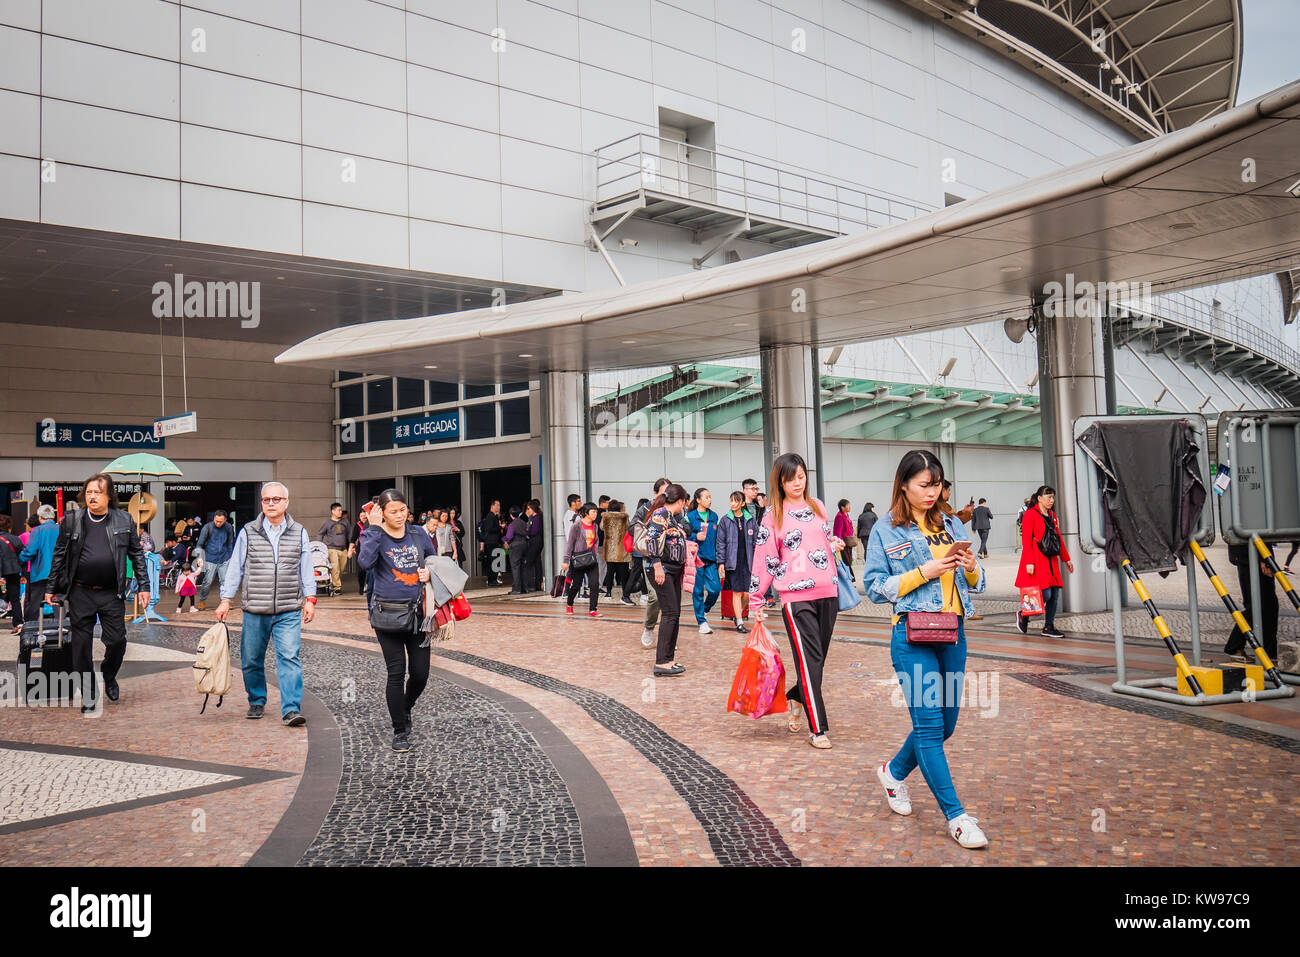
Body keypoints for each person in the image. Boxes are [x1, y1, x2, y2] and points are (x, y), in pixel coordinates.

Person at [863, 449, 989, 850]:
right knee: (931, 729)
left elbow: (976, 583)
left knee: (945, 725)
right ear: (904, 484)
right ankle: (957, 817)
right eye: (924, 485)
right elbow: (875, 587)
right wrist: (923, 573)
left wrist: (969, 565)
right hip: (912, 637)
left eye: (937, 484)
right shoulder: (886, 529)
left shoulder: (951, 523)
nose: (933, 492)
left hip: (954, 633)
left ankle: (893, 771)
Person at [748, 453, 844, 750]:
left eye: (800, 477)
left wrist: (834, 545)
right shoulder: (772, 514)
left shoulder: (818, 507)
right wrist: (756, 600)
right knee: (808, 660)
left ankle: (796, 695)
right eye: (790, 479)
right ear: (780, 481)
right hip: (795, 596)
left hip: (827, 592)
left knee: (816, 662)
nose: (796, 483)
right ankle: (818, 729)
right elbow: (764, 558)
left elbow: (822, 540)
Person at [45, 475, 150, 712]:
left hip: (112, 593)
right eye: (89, 492)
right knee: (80, 649)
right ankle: (90, 695)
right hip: (81, 593)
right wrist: (51, 588)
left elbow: (137, 555)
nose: (92, 496)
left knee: (117, 641)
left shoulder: (124, 520)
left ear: (109, 496)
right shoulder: (72, 520)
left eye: (98, 492)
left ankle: (109, 673)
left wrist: (144, 586)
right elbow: (59, 555)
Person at [214, 482, 314, 727]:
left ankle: (291, 709)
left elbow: (306, 568)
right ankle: (257, 699)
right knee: (251, 659)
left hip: (289, 608)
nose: (271, 503)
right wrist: (225, 599)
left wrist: (310, 599)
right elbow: (235, 567)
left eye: (276, 499)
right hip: (255, 609)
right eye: (266, 499)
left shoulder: (299, 531)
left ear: (286, 502)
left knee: (290, 657)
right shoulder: (248, 531)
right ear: (262, 503)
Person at [357, 488, 437, 752]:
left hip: (418, 615)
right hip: (387, 614)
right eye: (393, 511)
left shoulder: (417, 533)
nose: (400, 515)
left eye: (403, 509)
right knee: (396, 672)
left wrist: (429, 572)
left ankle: (405, 707)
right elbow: (365, 562)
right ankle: (399, 730)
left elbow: (435, 560)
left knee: (420, 674)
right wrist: (373, 529)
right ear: (382, 513)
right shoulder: (376, 535)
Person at [643, 484, 690, 676]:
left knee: (675, 613)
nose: (684, 507)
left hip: (672, 570)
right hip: (661, 570)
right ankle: (661, 662)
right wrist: (657, 566)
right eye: (684, 503)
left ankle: (668, 659)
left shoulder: (671, 517)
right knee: (670, 613)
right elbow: (651, 540)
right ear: (680, 501)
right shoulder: (660, 515)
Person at [1015, 485, 1074, 639]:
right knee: (1044, 594)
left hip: (1051, 559)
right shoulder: (1030, 515)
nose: (1051, 500)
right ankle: (1024, 614)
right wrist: (1029, 562)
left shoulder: (1053, 515)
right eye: (1048, 497)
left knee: (1055, 594)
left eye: (1053, 497)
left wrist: (1066, 559)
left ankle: (1048, 626)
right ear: (1040, 498)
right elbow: (1026, 539)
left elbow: (1057, 537)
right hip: (1036, 559)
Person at [633, 478, 672, 648]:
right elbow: (632, 527)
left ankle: (668, 635)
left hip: (670, 557)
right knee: (655, 596)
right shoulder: (646, 508)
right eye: (664, 492)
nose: (667, 496)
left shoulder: (674, 509)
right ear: (655, 493)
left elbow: (686, 527)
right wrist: (652, 529)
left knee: (671, 598)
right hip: (650, 558)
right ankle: (649, 627)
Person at [1224, 543, 1279, 661]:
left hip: (1249, 555)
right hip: (1252, 555)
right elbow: (1256, 527)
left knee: (1266, 604)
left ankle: (1269, 651)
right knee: (1259, 605)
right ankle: (1235, 647)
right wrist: (1264, 558)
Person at [716, 490, 756, 633]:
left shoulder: (750, 520)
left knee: (748, 594)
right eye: (731, 500)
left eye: (736, 501)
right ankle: (739, 622)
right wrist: (721, 563)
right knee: (737, 593)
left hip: (748, 561)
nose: (732, 503)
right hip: (732, 561)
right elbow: (720, 543)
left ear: (742, 503)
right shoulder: (725, 520)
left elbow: (756, 542)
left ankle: (737, 614)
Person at [687, 488, 722, 634]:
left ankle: (705, 609)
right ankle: (701, 621)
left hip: (711, 559)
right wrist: (695, 537)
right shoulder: (690, 517)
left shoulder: (714, 516)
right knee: (698, 592)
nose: (710, 500)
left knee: (715, 590)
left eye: (710, 497)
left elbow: (718, 539)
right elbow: (684, 537)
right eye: (706, 497)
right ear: (698, 500)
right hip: (697, 560)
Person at [19, 505, 59, 627]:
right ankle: (61, 628)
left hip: (41, 572)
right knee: (59, 601)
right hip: (60, 572)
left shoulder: (38, 530)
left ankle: (32, 628)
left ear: (40, 517)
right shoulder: (61, 529)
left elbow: (30, 551)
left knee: (35, 602)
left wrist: (20, 558)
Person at [562, 502, 603, 618]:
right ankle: (569, 604)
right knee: (576, 585)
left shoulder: (595, 526)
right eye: (593, 511)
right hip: (579, 560)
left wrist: (595, 555)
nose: (596, 514)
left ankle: (593, 609)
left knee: (594, 584)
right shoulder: (576, 526)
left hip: (591, 560)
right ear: (586, 513)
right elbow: (570, 544)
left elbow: (596, 541)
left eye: (596, 511)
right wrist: (566, 561)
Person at [195, 509, 236, 611]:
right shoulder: (207, 527)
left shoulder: (228, 527)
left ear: (225, 520)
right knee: (207, 581)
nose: (218, 523)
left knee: (225, 581)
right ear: (214, 518)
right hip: (210, 558)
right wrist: (200, 557)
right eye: (216, 521)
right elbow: (199, 544)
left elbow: (230, 542)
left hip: (224, 557)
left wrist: (231, 555)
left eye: (220, 521)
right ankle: (202, 600)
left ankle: (225, 602)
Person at [0, 515, 27, 635]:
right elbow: (23, 556)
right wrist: (23, 572)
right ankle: (18, 624)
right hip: (14, 571)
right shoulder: (16, 539)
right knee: (15, 599)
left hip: (2, 572)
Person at [600, 500, 631, 601]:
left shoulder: (605, 516)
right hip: (622, 549)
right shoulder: (624, 517)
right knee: (623, 574)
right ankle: (625, 594)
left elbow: (601, 528)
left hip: (610, 549)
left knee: (610, 572)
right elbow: (629, 528)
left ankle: (608, 593)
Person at [318, 503, 350, 593]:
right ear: (333, 511)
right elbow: (320, 534)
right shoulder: (327, 522)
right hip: (332, 549)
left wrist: (352, 546)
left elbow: (349, 534)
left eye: (341, 510)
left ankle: (332, 582)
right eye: (338, 510)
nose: (340, 512)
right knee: (335, 568)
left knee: (341, 569)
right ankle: (337, 588)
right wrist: (320, 546)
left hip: (343, 549)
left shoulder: (345, 521)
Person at [504, 504, 531, 594]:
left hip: (515, 546)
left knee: (515, 567)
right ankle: (525, 588)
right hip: (524, 545)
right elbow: (527, 532)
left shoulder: (512, 524)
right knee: (523, 567)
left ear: (511, 515)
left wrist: (503, 539)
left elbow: (509, 536)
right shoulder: (523, 523)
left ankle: (516, 589)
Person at [478, 500, 505, 586]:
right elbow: (489, 529)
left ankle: (493, 580)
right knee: (492, 562)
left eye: (499, 505)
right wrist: (500, 527)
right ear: (492, 506)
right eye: (497, 505)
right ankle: (492, 580)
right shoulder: (490, 516)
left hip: (493, 542)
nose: (499, 507)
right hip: (491, 543)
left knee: (493, 562)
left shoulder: (494, 516)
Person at [833, 499, 856, 579]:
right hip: (843, 543)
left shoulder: (847, 516)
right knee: (846, 561)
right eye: (847, 505)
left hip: (849, 542)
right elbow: (838, 531)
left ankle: (850, 578)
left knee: (849, 561)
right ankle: (849, 578)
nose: (849, 507)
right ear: (842, 507)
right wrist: (839, 542)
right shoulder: (839, 516)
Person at [526, 500, 545, 591]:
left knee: (529, 563)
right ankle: (537, 584)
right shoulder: (534, 518)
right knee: (537, 563)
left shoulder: (537, 518)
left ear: (533, 509)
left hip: (535, 542)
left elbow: (534, 531)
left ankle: (530, 584)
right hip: (537, 542)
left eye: (529, 508)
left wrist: (526, 531)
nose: (527, 510)